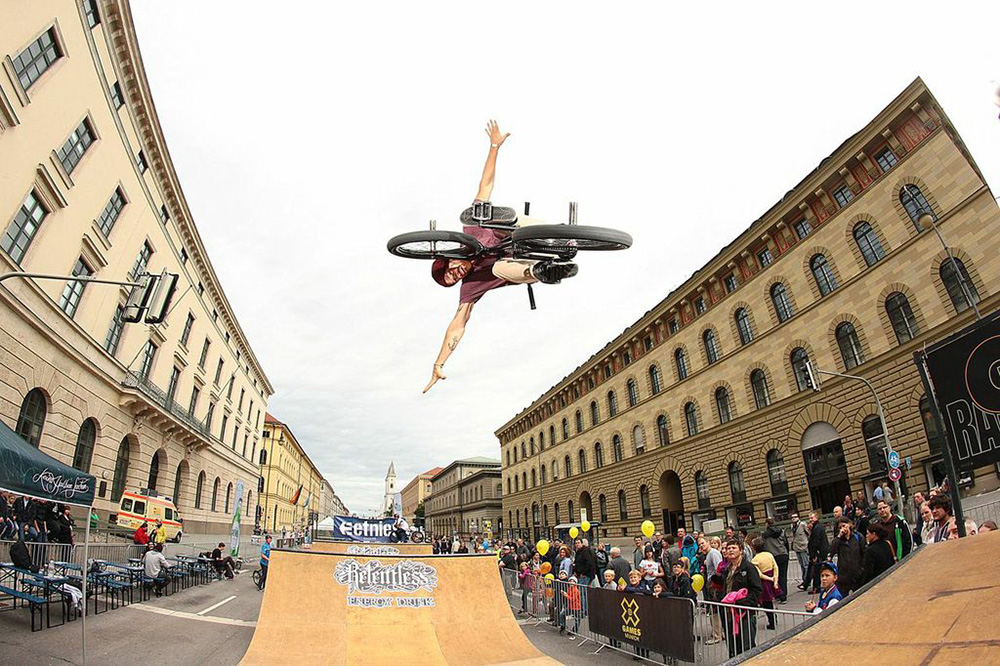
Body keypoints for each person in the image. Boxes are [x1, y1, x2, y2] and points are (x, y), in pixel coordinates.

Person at [423, 121, 577, 393]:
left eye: (451, 271)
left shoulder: (472, 230)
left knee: (497, 219)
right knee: (497, 270)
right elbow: (458, 324)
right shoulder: (470, 286)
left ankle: (555, 234)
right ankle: (545, 272)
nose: (456, 276)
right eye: (452, 280)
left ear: (450, 259)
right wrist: (439, 363)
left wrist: (494, 146)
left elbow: (486, 184)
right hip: (521, 266)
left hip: (521, 232)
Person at [720, 538, 761, 659]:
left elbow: (757, 590)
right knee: (734, 647)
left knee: (747, 647)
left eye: (734, 547)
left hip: (744, 614)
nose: (730, 550)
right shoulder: (727, 569)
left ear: (741, 551)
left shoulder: (749, 568)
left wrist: (741, 603)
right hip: (729, 614)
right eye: (728, 548)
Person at [826, 518, 864, 595]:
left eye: (844, 526)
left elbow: (864, 552)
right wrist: (839, 536)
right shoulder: (838, 540)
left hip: (857, 574)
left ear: (849, 524)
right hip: (843, 575)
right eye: (840, 527)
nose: (842, 529)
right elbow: (831, 551)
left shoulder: (858, 537)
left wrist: (862, 568)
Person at [750, 538, 778, 630]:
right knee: (770, 601)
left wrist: (770, 579)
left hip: (764, 582)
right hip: (771, 579)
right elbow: (775, 567)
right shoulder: (769, 555)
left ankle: (772, 622)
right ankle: (774, 618)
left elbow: (759, 574)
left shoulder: (755, 560)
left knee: (766, 603)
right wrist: (775, 580)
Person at [761, 517, 789, 603]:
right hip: (783, 554)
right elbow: (786, 542)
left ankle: (777, 594)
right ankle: (783, 595)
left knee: (775, 576)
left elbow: (763, 545)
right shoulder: (781, 531)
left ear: (767, 524)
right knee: (783, 576)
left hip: (772, 556)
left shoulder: (764, 535)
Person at [806, 512, 827, 594]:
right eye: (809, 518)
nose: (810, 520)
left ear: (816, 518)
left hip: (818, 552)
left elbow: (816, 542)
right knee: (817, 570)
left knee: (816, 571)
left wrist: (814, 554)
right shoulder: (816, 527)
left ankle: (816, 587)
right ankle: (813, 586)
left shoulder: (817, 528)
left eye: (812, 518)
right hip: (819, 551)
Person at [790, 513, 810, 590]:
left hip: (803, 546)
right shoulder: (792, 526)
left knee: (806, 564)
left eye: (795, 517)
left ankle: (806, 581)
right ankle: (804, 580)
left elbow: (808, 533)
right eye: (792, 517)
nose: (793, 518)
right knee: (801, 565)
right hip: (796, 547)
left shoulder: (802, 524)